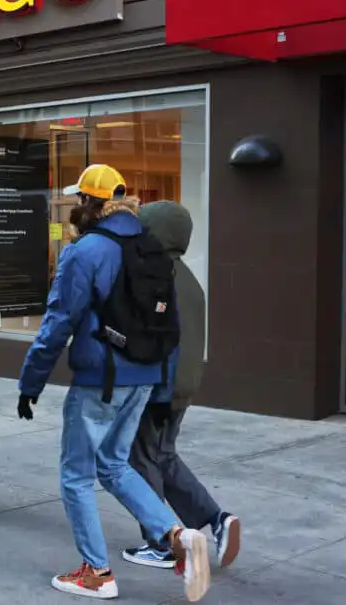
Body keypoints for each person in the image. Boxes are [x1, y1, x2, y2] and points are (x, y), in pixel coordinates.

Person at [17, 165, 211, 602]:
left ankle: (97, 572)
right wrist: (160, 384)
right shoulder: (150, 246)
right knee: (116, 466)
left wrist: (31, 382)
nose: (74, 206)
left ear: (90, 202)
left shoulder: (86, 251)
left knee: (76, 476)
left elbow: (58, 322)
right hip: (144, 377)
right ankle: (177, 534)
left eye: (79, 199)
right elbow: (170, 326)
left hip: (100, 380)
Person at [122, 200, 241, 571]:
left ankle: (160, 542)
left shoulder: (154, 276)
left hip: (157, 387)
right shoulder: (188, 279)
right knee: (163, 456)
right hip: (183, 386)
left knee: (143, 459)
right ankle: (216, 520)